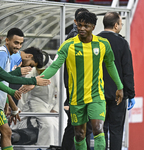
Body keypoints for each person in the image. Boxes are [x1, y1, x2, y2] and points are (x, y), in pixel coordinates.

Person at [31, 11, 124, 150]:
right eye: (79, 25)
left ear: (93, 27)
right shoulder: (68, 45)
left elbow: (110, 65)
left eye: (86, 26)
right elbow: (55, 65)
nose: (81, 28)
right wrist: (36, 80)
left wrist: (120, 86)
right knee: (79, 134)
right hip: (76, 98)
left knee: (98, 130)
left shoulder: (103, 44)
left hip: (96, 96)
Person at [0, 28, 44, 150]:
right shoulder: (2, 54)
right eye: (16, 43)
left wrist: (7, 103)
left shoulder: (7, 55)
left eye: (21, 44)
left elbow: (2, 80)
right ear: (7, 41)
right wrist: (33, 81)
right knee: (6, 132)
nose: (18, 46)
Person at [97, 12, 135, 150]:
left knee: (100, 130)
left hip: (97, 93)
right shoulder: (122, 43)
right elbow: (127, 70)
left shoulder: (94, 41)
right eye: (121, 24)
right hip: (118, 94)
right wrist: (130, 93)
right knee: (116, 130)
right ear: (115, 25)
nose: (121, 26)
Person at [61, 8, 92, 150]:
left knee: (76, 125)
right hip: (78, 88)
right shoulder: (76, 38)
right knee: (80, 126)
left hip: (76, 87)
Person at [16, 51, 59, 145]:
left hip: (52, 103)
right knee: (48, 125)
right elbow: (24, 95)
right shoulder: (31, 73)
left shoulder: (55, 69)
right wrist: (19, 111)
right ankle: (42, 147)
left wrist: (56, 109)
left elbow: (61, 92)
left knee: (63, 124)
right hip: (36, 101)